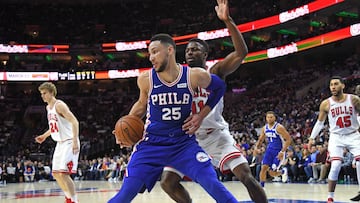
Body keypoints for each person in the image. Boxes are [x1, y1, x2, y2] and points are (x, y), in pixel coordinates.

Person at [108, 33, 238, 203]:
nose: (151, 58)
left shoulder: (193, 75)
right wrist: (122, 129)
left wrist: (201, 115)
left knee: (213, 185)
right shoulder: (146, 79)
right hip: (151, 145)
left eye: (155, 52)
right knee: (125, 194)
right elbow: (141, 104)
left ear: (170, 50)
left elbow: (219, 87)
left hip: (183, 144)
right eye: (150, 54)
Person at [159, 0, 267, 202]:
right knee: (167, 182)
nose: (190, 52)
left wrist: (227, 20)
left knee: (246, 176)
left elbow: (241, 53)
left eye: (196, 49)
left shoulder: (215, 71)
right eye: (188, 50)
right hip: (188, 139)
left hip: (216, 136)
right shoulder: (177, 77)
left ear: (205, 54)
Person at [307, 76, 360, 203]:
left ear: (343, 85)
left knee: (359, 162)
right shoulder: (326, 103)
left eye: (336, 84)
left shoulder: (354, 99)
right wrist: (311, 138)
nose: (333, 87)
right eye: (331, 85)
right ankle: (330, 197)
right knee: (335, 165)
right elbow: (320, 123)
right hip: (336, 137)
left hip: (353, 134)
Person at [35, 82, 80, 203]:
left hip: (70, 141)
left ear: (51, 93)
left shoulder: (59, 105)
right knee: (55, 174)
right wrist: (44, 136)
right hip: (60, 143)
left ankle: (74, 200)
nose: (42, 96)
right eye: (41, 94)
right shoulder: (48, 108)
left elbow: (75, 122)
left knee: (63, 174)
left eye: (44, 93)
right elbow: (54, 127)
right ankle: (68, 198)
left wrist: (75, 141)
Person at [256, 111, 292, 187]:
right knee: (263, 168)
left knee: (272, 172)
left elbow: (288, 139)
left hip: (278, 151)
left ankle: (282, 172)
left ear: (275, 118)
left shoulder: (279, 127)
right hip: (269, 150)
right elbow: (261, 139)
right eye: (268, 117)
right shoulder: (264, 128)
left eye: (271, 117)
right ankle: (261, 188)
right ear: (266, 118)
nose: (269, 119)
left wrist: (283, 151)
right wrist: (257, 147)